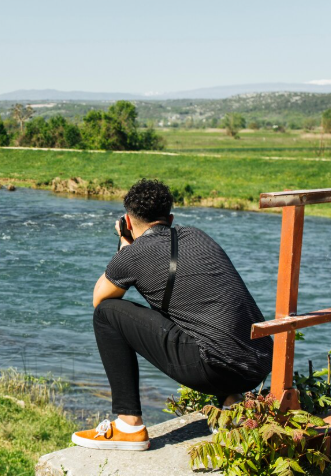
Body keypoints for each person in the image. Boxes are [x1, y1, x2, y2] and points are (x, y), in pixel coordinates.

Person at [72, 179, 273, 451]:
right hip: (259, 363)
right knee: (204, 316)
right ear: (170, 218)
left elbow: (100, 298)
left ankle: (128, 425)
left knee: (107, 314)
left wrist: (124, 246)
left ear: (128, 222)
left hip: (216, 370)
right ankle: (231, 404)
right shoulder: (197, 235)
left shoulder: (132, 255)